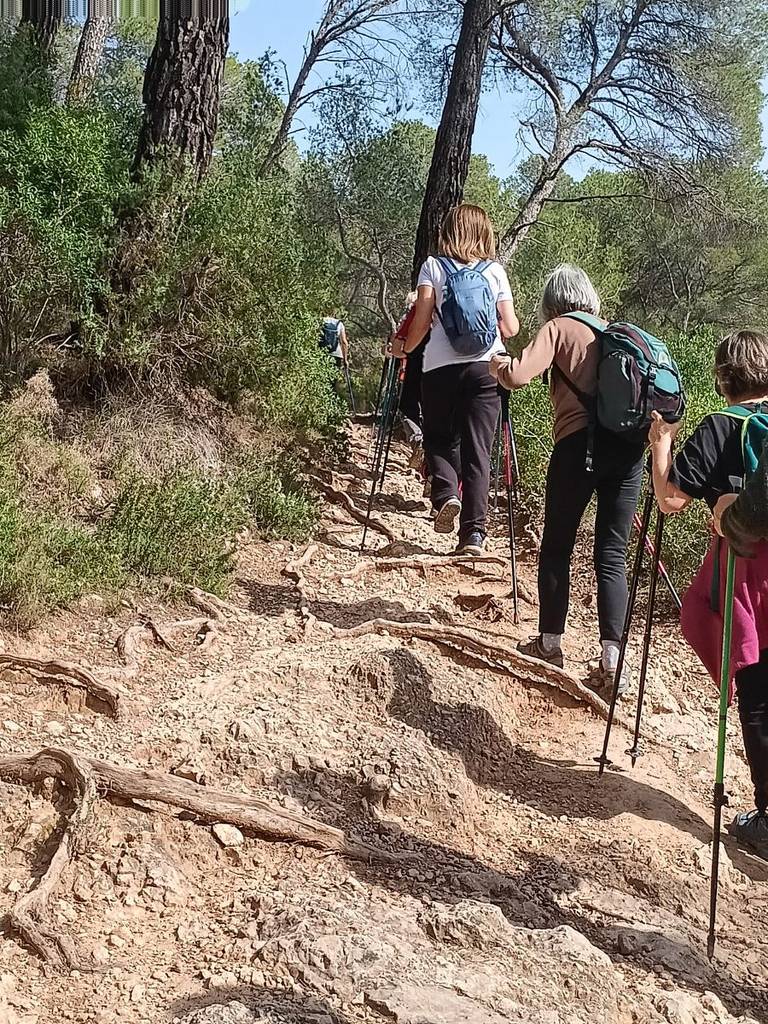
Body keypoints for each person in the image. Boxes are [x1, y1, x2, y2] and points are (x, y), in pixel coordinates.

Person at [491, 265, 645, 692]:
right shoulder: (614, 333)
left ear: (551, 300)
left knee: (557, 544)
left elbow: (519, 375)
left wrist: (497, 367)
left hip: (578, 447)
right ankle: (612, 660)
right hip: (629, 454)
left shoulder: (558, 328)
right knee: (612, 554)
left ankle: (550, 644)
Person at [650, 330, 768, 852]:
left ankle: (766, 819)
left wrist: (660, 444)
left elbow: (670, 499)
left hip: (747, 569)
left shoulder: (722, 426)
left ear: (723, 378)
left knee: (758, 696)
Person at [391, 204, 519, 555]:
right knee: (479, 451)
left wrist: (405, 347)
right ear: (484, 233)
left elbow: (421, 321)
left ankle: (447, 493)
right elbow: (510, 327)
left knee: (438, 438)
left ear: (448, 230)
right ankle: (473, 536)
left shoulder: (433, 266)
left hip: (439, 369)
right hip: (486, 369)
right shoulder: (494, 271)